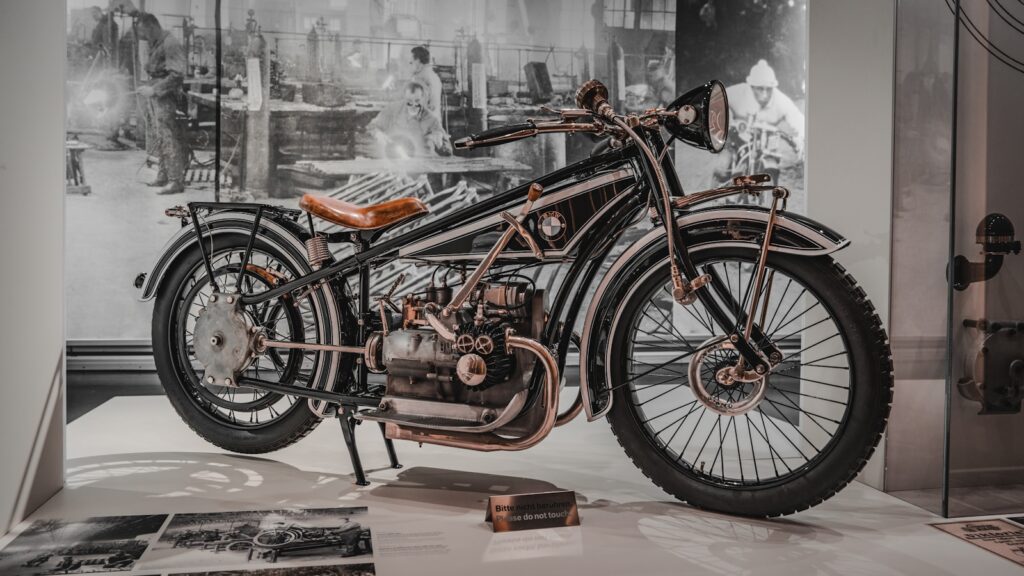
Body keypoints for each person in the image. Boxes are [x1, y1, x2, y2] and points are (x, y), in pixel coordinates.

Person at [714, 59, 805, 183]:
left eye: (768, 89)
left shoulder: (781, 101)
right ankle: (717, 197)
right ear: (751, 86)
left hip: (767, 140)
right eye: (760, 89)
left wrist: (801, 139)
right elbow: (716, 100)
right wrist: (726, 119)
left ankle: (769, 193)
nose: (765, 94)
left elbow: (798, 119)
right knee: (722, 168)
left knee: (773, 167)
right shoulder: (737, 93)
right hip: (737, 136)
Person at [136, 12, 187, 195]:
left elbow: (177, 75)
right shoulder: (156, 42)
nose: (144, 37)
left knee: (168, 136)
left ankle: (176, 181)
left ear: (153, 26)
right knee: (160, 135)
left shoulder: (170, 43)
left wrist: (155, 90)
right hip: (157, 92)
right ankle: (163, 175)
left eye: (145, 32)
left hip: (166, 95)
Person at [368, 82, 451, 158]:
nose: (413, 105)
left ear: (423, 98)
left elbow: (449, 151)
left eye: (417, 101)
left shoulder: (432, 119)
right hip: (394, 159)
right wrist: (378, 134)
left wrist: (440, 146)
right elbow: (372, 126)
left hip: (420, 163)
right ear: (404, 98)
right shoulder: (392, 110)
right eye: (409, 101)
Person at [408, 45, 442, 121]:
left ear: (418, 61)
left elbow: (417, 106)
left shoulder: (419, 78)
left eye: (411, 63)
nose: (410, 66)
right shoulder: (434, 76)